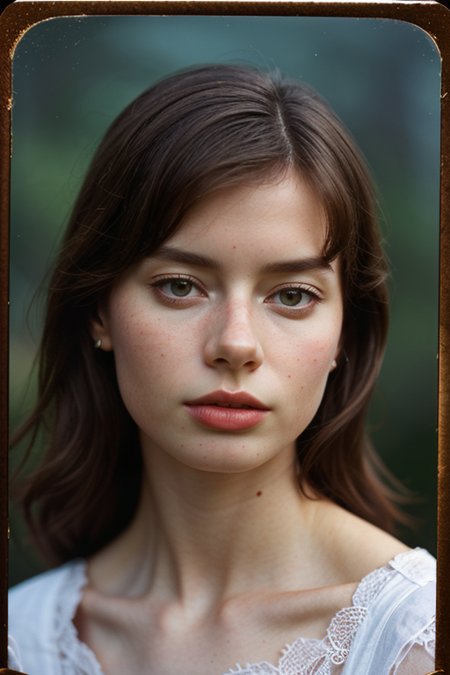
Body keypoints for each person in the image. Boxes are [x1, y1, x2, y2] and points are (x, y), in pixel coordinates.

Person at [8, 65, 436, 675]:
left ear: (347, 330)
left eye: (292, 295)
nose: (235, 344)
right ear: (99, 311)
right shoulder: (22, 641)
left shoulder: (414, 640)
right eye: (180, 285)